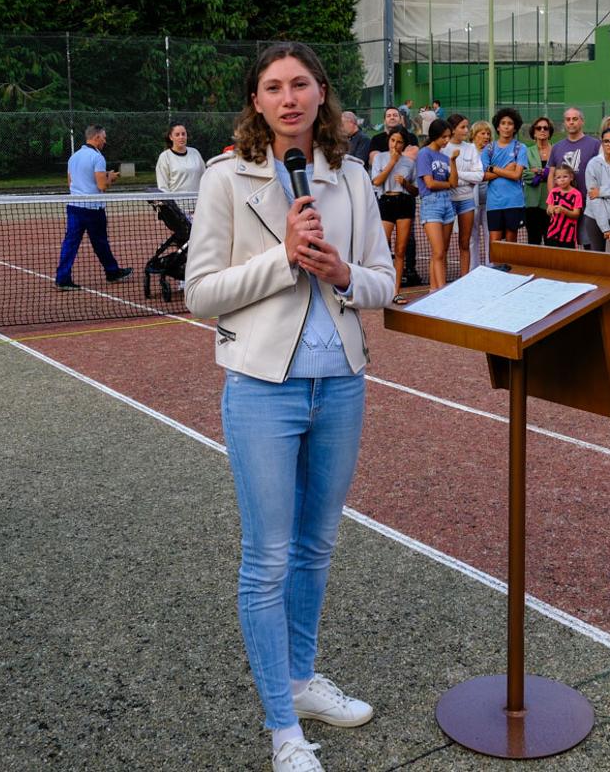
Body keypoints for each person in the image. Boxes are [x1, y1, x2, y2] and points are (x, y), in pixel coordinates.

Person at [184, 41, 394, 772]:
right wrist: (283, 259)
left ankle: (302, 683)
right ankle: (283, 728)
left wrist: (340, 271)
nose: (289, 98)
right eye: (273, 87)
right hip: (261, 388)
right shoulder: (224, 178)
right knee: (267, 557)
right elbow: (200, 292)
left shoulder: (353, 177)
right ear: (256, 102)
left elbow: (383, 282)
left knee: (316, 547)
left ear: (322, 93)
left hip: (341, 381)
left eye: (300, 83)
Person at [54, 125, 132, 290]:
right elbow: (102, 185)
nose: (105, 140)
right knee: (100, 242)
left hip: (74, 206)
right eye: (103, 137)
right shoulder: (98, 158)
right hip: (92, 209)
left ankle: (64, 278)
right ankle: (112, 272)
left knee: (71, 243)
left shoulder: (73, 157)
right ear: (96, 137)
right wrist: (110, 177)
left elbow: (70, 183)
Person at [370, 129, 418, 303]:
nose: (395, 145)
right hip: (386, 202)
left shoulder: (410, 163)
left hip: (404, 203)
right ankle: (381, 289)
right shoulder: (380, 158)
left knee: (400, 249)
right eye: (392, 140)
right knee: (383, 247)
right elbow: (376, 181)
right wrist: (392, 162)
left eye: (399, 142)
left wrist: (405, 183)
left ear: (404, 144)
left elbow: (415, 190)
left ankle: (396, 291)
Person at [416, 118, 459, 290]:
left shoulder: (445, 156)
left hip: (447, 203)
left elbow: (454, 182)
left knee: (441, 252)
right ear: (435, 136)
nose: (446, 140)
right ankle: (441, 291)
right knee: (438, 251)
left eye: (448, 137)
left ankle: (434, 290)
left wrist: (453, 162)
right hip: (431, 203)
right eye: (443, 137)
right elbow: (430, 184)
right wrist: (447, 184)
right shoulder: (424, 154)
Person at [549, 107, 600, 244]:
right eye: (568, 119)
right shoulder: (557, 147)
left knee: (589, 243)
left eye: (575, 119)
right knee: (565, 243)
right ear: (564, 123)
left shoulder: (595, 144)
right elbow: (551, 174)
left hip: (588, 203)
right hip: (563, 205)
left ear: (582, 122)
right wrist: (552, 200)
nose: (571, 122)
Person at [443, 114, 484, 277]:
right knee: (443, 245)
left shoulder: (471, 148)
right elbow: (444, 176)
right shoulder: (443, 148)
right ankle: (441, 283)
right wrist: (464, 177)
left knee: (465, 243)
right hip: (447, 200)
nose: (467, 130)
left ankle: (464, 280)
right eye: (463, 127)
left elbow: (479, 176)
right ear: (453, 130)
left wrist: (456, 174)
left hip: (467, 199)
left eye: (467, 126)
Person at [481, 107, 528, 243]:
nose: (506, 127)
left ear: (515, 128)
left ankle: (509, 266)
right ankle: (495, 266)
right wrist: (506, 169)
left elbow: (516, 175)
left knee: (510, 244)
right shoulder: (488, 149)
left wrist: (493, 169)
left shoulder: (520, 147)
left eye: (510, 123)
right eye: (503, 123)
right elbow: (483, 176)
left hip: (514, 202)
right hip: (494, 203)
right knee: (494, 243)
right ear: (498, 127)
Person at [523, 116, 555, 245]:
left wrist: (538, 172)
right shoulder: (527, 151)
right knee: (533, 240)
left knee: (551, 240)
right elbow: (524, 173)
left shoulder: (556, 150)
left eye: (545, 128)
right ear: (534, 132)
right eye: (539, 128)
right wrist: (546, 173)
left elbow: (559, 173)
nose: (542, 130)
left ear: (549, 131)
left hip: (551, 202)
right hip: (531, 201)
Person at [467, 120, 493, 269]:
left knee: (490, 235)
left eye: (488, 133)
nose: (486, 136)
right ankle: (473, 268)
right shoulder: (469, 151)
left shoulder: (491, 152)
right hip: (472, 201)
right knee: (472, 237)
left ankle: (491, 265)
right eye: (482, 133)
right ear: (474, 135)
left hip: (490, 201)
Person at [155, 123, 205, 194]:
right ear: (171, 137)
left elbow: (205, 176)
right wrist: (170, 204)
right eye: (177, 135)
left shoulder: (195, 152)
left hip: (197, 201)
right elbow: (163, 187)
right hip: (176, 203)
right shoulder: (164, 157)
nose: (181, 137)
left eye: (183, 134)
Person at [544, 164, 582, 248]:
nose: (562, 180)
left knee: (567, 259)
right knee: (552, 258)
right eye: (559, 177)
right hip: (552, 233)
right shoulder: (553, 192)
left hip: (568, 235)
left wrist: (563, 210)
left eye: (565, 176)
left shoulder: (576, 194)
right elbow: (548, 210)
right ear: (555, 180)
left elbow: (576, 214)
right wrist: (551, 210)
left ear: (571, 177)